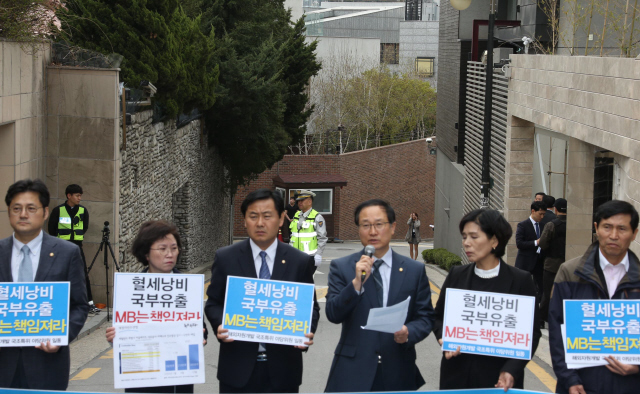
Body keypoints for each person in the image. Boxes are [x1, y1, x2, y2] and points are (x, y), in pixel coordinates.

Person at [205, 189, 320, 393]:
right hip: (236, 369)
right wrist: (219, 324)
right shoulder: (226, 258)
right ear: (244, 220)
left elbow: (311, 307)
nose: (260, 223)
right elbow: (213, 302)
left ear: (281, 219)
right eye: (253, 216)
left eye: (267, 216)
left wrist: (306, 331)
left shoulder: (299, 261)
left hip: (283, 370)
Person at [324, 199, 435, 392]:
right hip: (352, 371)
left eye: (379, 224)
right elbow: (333, 314)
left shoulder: (414, 270)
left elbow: (425, 317)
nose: (372, 231)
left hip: (398, 369)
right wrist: (356, 284)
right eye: (365, 225)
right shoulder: (342, 267)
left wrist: (409, 332)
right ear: (359, 229)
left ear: (392, 227)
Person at [433, 209, 541, 390]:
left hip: (499, 378)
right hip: (457, 375)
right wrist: (444, 338)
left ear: (494, 241)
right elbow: (437, 317)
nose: (466, 243)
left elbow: (532, 333)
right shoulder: (456, 275)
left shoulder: (521, 280)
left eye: (474, 237)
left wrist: (511, 369)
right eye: (464, 236)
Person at [0, 179, 89, 390]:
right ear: (9, 212)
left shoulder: (67, 253)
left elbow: (79, 305)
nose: (23, 214)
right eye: (16, 208)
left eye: (31, 208)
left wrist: (61, 337)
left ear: (45, 212)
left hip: (47, 365)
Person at [105, 220, 207, 393]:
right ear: (146, 254)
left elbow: (201, 329)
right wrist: (117, 337)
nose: (170, 254)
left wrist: (200, 337)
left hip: (178, 380)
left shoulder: (188, 287)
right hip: (141, 378)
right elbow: (128, 333)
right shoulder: (130, 289)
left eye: (174, 248)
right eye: (162, 249)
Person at [549, 200, 640, 394]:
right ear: (596, 228)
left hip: (630, 385)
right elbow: (557, 329)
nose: (614, 236)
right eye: (607, 227)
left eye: (622, 229)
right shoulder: (570, 272)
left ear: (634, 233)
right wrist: (569, 380)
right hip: (580, 386)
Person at [48, 184, 99, 313]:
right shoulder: (58, 210)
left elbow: (84, 227)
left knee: (82, 274)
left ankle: (89, 303)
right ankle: (58, 303)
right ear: (69, 196)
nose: (79, 198)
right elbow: (52, 229)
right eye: (77, 195)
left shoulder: (83, 211)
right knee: (59, 274)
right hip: (61, 248)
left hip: (77, 247)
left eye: (80, 195)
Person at [538, 198, 567, 327]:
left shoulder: (551, 225)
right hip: (568, 264)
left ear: (555, 209)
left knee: (547, 291)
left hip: (552, 264)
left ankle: (542, 320)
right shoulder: (574, 224)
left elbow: (543, 244)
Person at [515, 201, 547, 308]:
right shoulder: (523, 225)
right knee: (522, 287)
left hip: (539, 262)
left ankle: (539, 314)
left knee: (541, 288)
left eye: (544, 214)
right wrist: (536, 242)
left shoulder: (544, 226)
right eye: (540, 214)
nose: (542, 217)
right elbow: (519, 243)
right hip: (525, 262)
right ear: (533, 211)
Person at [289, 190, 327, 273]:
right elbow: (293, 235)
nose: (299, 203)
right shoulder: (297, 215)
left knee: (307, 282)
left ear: (310, 201)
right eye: (298, 201)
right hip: (295, 255)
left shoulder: (317, 217)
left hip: (309, 257)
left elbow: (322, 238)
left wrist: (318, 255)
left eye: (302, 200)